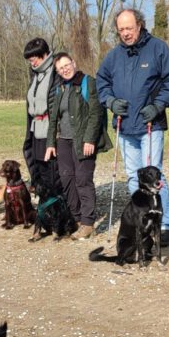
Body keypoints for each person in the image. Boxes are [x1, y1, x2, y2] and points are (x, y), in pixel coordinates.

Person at [97, 8, 169, 245]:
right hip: (125, 126)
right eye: (121, 29)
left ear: (140, 25)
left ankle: (166, 224)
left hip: (149, 124)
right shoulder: (113, 56)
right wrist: (111, 101)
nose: (125, 33)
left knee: (154, 175)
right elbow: (101, 82)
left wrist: (157, 106)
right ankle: (143, 221)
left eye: (129, 28)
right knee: (134, 178)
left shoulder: (158, 48)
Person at [44, 52, 112, 239]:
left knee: (83, 180)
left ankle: (88, 222)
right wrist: (51, 143)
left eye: (67, 65)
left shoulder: (88, 82)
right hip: (63, 141)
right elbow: (53, 118)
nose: (65, 70)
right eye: (60, 68)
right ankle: (76, 218)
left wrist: (89, 139)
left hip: (83, 140)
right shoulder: (60, 88)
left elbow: (96, 113)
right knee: (67, 179)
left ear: (74, 63)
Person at [23, 38, 62, 192]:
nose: (32, 63)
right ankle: (45, 202)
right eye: (30, 61)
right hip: (35, 130)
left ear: (44, 54)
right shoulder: (35, 75)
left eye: (34, 59)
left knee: (53, 170)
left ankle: (59, 204)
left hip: (50, 129)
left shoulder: (56, 72)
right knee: (39, 169)